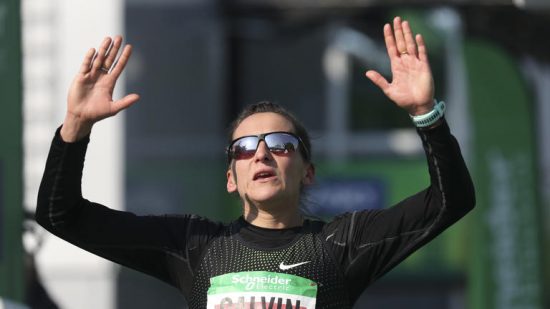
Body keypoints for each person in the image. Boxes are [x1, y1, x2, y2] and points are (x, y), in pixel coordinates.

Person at [36, 16, 475, 308]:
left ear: (308, 171)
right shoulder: (196, 245)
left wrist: (425, 114)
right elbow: (61, 216)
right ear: (231, 178)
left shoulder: (343, 244)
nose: (261, 153)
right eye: (244, 148)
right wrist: (76, 125)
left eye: (280, 143)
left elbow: (451, 200)